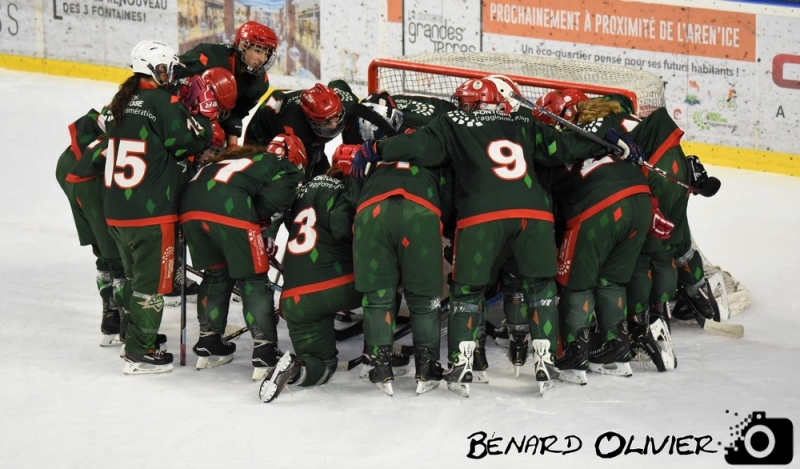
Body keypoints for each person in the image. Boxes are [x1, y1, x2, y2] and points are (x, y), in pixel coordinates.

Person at [349, 77, 644, 396]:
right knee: (540, 287)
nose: (461, 106)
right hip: (533, 216)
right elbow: (563, 149)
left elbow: (421, 147)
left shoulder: (453, 119)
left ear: (476, 104)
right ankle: (544, 357)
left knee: (467, 291)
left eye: (465, 102)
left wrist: (378, 148)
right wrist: (605, 140)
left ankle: (463, 362)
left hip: (481, 216)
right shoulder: (523, 119)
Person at [104, 40, 217, 375]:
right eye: (170, 68)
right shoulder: (163, 101)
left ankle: (132, 335)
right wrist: (205, 116)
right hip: (150, 213)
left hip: (117, 210)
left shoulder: (119, 102)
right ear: (158, 69)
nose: (173, 75)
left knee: (131, 276)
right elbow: (191, 141)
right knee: (151, 284)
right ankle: (139, 352)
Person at [533, 89, 660, 383]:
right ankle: (616, 347)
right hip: (640, 202)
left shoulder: (565, 143)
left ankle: (575, 354)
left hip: (598, 209)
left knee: (576, 284)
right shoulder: (607, 128)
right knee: (611, 280)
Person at [346, 93, 451, 396]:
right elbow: (450, 194)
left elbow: (351, 199)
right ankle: (427, 368)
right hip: (419, 211)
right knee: (424, 300)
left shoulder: (364, 152)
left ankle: (380, 367)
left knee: (378, 298)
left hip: (370, 215)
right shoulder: (434, 145)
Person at [180, 135, 306, 379]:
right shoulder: (282, 165)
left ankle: (209, 340)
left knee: (216, 273)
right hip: (229, 210)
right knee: (253, 279)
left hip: (190, 211)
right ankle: (265, 350)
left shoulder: (232, 161)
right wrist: (256, 220)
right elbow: (277, 196)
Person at [258, 145, 363, 403]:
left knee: (323, 364)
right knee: (385, 284)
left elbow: (279, 216)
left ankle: (295, 369)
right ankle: (381, 355)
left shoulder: (304, 186)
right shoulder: (352, 186)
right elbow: (343, 227)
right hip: (340, 284)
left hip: (295, 294)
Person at [55, 108, 124, 346]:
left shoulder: (125, 102)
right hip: (90, 174)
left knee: (101, 244)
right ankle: (127, 322)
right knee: (115, 248)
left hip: (70, 167)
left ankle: (111, 313)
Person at [178, 21, 278, 147]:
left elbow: (235, 114)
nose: (262, 59)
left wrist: (232, 148)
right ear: (243, 46)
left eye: (267, 53)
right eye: (258, 51)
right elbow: (172, 74)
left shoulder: (260, 83)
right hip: (180, 113)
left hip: (210, 123)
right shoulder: (210, 57)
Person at [244, 82, 357, 178]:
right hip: (261, 141)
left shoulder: (338, 105)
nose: (333, 125)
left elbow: (338, 83)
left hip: (301, 129)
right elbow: (298, 180)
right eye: (327, 123)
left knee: (323, 175)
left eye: (337, 118)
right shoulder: (295, 130)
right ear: (310, 120)